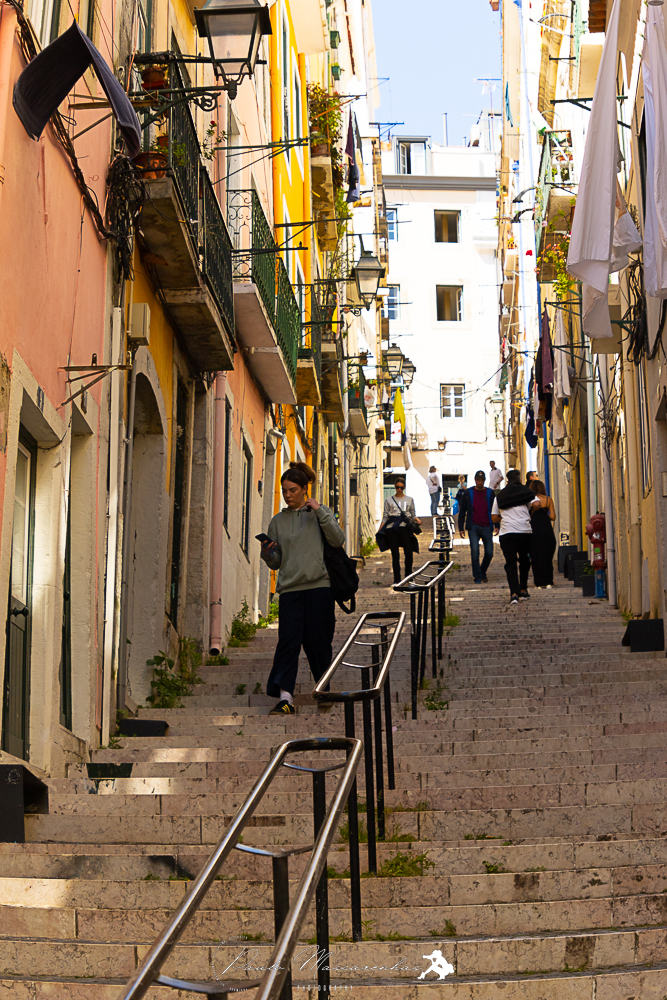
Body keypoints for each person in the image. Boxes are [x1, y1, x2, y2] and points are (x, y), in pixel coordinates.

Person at [259, 461, 345, 716]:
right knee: (288, 642)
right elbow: (277, 562)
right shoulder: (277, 521)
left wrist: (319, 510)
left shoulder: (319, 513)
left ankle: (323, 689)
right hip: (290, 590)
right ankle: (285, 697)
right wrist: (267, 553)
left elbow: (338, 539)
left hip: (320, 587)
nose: (288, 495)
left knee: (318, 642)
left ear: (304, 489)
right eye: (285, 491)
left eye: (293, 490)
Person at [492, 469, 541, 605]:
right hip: (525, 531)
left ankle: (514, 594)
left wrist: (506, 516)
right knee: (524, 560)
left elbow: (494, 517)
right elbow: (537, 504)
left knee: (511, 563)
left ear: (507, 481)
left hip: (507, 532)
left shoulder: (500, 496)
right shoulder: (526, 492)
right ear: (519, 480)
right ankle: (523, 589)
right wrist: (529, 511)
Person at [380, 478, 421, 583]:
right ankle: (397, 579)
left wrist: (417, 520)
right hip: (391, 528)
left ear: (404, 488)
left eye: (401, 487)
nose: (399, 489)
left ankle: (408, 577)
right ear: (395, 487)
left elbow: (412, 514)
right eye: (397, 487)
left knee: (408, 552)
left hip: (405, 527)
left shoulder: (409, 499)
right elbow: (385, 516)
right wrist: (380, 530)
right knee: (395, 554)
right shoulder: (388, 500)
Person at [457, 470, 496, 584]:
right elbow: (462, 511)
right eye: (478, 480)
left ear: (484, 480)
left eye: (482, 480)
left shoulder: (490, 493)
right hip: (473, 526)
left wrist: (497, 525)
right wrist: (461, 527)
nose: (480, 482)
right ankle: (477, 576)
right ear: (475, 480)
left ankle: (482, 571)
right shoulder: (468, 493)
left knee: (489, 553)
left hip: (487, 525)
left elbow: (495, 509)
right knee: (475, 552)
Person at [529, 479, 557, 587]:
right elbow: (553, 517)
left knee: (535, 557)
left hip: (534, 531)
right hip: (546, 530)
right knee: (547, 557)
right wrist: (545, 516)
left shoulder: (530, 500)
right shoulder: (548, 500)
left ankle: (539, 582)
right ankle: (548, 581)